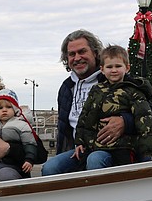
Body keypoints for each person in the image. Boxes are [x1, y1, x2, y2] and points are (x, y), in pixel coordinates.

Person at [41, 29, 133, 176]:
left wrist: (124, 122)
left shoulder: (114, 76)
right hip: (80, 149)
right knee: (50, 168)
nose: (77, 58)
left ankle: (98, 199)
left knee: (95, 160)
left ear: (95, 53)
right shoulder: (66, 88)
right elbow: (63, 130)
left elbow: (149, 112)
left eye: (82, 51)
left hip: (111, 149)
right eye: (72, 54)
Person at [74, 45, 152, 169]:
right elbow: (85, 117)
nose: (114, 70)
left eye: (118, 66)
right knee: (92, 160)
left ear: (127, 68)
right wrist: (80, 142)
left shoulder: (133, 91)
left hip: (124, 147)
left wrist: (146, 149)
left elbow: (144, 118)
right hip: (97, 145)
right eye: (109, 67)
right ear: (102, 69)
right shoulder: (97, 90)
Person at [0, 89, 38, 183]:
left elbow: (30, 143)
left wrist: (29, 159)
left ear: (15, 109)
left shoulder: (21, 125)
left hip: (13, 163)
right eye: (0, 108)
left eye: (8, 107)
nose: (4, 110)